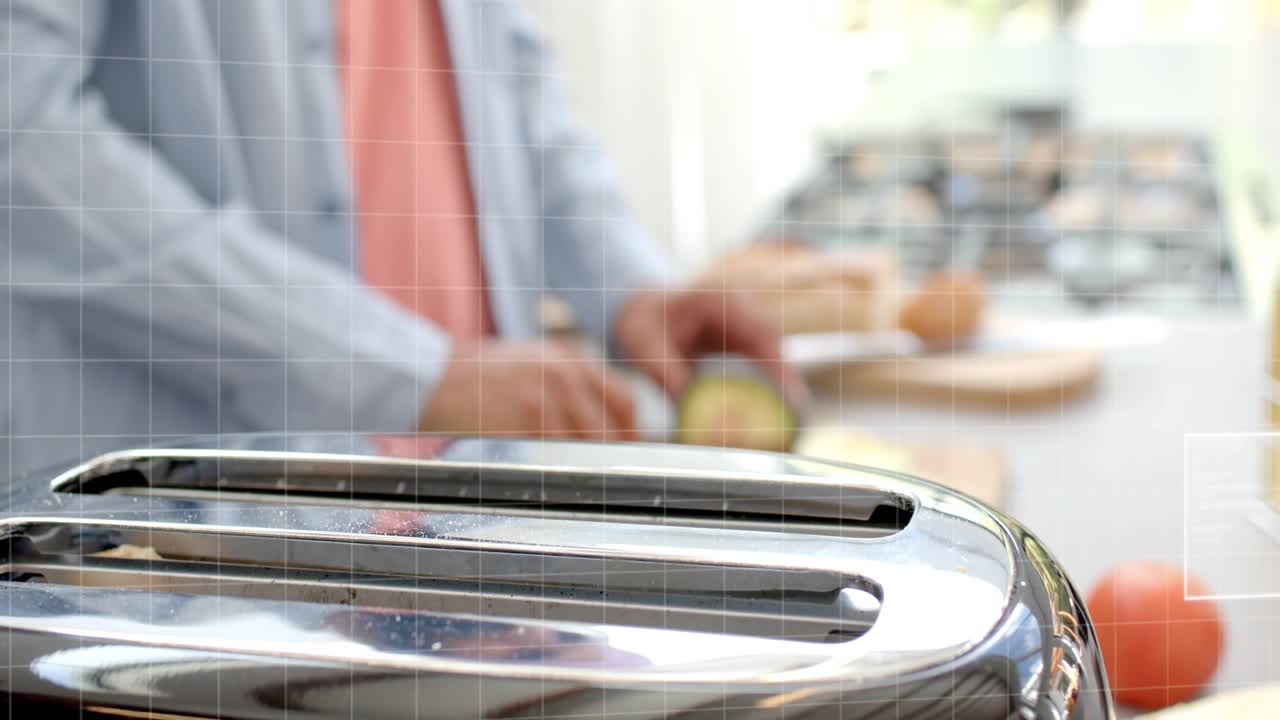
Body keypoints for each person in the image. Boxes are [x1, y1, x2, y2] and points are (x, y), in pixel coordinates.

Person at [0, 0, 803, 475]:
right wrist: (406, 371)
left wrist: (630, 289)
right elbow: (22, 142)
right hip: (184, 541)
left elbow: (517, 90)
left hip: (465, 507)